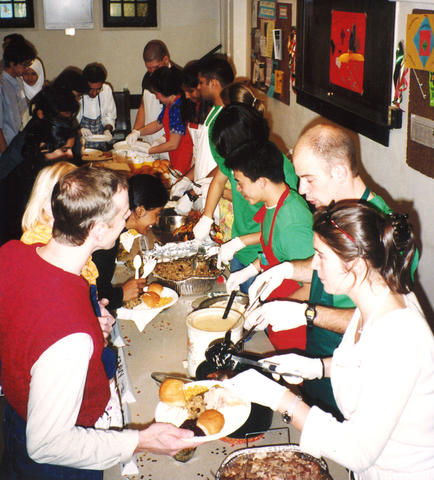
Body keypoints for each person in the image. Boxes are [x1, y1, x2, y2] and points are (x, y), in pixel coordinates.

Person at [0, 166, 196, 478]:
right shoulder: (70, 334)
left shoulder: (11, 253)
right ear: (98, 231)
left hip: (16, 415)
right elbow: (47, 445)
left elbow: (24, 323)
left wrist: (89, 318)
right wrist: (141, 440)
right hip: (58, 463)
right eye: (123, 213)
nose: (129, 215)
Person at [227, 200, 434, 480]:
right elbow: (366, 365)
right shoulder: (378, 300)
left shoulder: (400, 337)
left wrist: (280, 399)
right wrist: (315, 367)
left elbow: (356, 451)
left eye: (321, 256)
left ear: (357, 266)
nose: (313, 265)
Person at [246, 123, 419, 416]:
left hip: (355, 370)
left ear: (338, 172)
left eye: (309, 179)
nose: (301, 189)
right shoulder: (336, 213)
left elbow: (380, 323)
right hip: (320, 360)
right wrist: (286, 270)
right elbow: (326, 266)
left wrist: (306, 313)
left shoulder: (384, 233)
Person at [193, 102, 299, 293]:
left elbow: (278, 233)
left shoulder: (278, 171)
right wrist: (206, 217)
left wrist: (240, 242)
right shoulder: (236, 159)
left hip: (264, 259)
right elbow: (218, 181)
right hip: (240, 255)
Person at [224, 140, 314, 350]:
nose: (237, 190)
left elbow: (314, 287)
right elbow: (275, 252)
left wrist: (273, 310)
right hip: (277, 323)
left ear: (262, 181)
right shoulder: (273, 204)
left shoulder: (292, 222)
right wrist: (251, 269)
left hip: (295, 330)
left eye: (240, 182)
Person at [92, 173, 169, 310]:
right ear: (140, 210)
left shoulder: (112, 228)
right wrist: (120, 294)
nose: (156, 221)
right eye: (156, 215)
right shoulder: (106, 240)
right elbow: (94, 296)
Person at [0, 114, 78, 245]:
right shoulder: (32, 178)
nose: (71, 154)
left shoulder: (35, 165)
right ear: (44, 146)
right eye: (64, 149)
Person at [130, 66, 193, 175]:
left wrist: (149, 150)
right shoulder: (170, 104)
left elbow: (173, 144)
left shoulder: (178, 107)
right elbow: (158, 124)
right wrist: (137, 132)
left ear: (165, 91)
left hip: (183, 157)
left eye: (156, 94)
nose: (156, 97)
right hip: (174, 155)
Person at [126, 39, 175, 149]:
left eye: (156, 67)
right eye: (149, 68)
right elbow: (143, 106)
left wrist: (162, 139)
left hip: (168, 143)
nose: (153, 72)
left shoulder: (176, 79)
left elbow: (177, 120)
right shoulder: (147, 77)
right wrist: (135, 133)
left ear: (166, 60)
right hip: (148, 138)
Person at [0, 39, 36, 155]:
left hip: (19, 146)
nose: (27, 69)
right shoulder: (2, 86)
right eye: (24, 65)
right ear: (12, 63)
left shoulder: (19, 82)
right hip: (5, 149)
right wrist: (6, 156)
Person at [78, 62, 116, 150]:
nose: (94, 93)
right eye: (91, 89)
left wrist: (107, 130)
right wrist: (80, 130)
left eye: (98, 89)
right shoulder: (77, 93)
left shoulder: (106, 90)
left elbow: (109, 116)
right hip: (80, 145)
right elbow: (69, 124)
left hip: (101, 146)